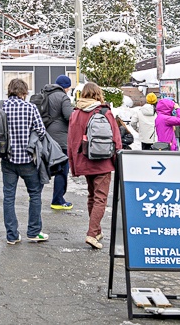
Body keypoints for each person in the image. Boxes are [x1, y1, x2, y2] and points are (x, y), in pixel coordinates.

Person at [67, 82, 123, 249]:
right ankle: (92, 234)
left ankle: (96, 230)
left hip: (84, 160)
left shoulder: (75, 114)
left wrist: (73, 162)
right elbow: (116, 139)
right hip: (103, 162)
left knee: (92, 196)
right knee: (100, 198)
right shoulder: (105, 112)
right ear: (98, 94)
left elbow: (71, 141)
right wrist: (117, 160)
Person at [1, 78, 50, 243]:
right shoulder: (31, 108)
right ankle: (34, 231)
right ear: (24, 92)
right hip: (28, 159)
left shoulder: (2, 107)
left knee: (9, 196)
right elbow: (41, 131)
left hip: (7, 159)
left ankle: (11, 235)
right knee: (35, 194)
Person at [41, 75, 74, 211]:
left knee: (43, 167)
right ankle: (58, 200)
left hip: (45, 136)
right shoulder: (62, 97)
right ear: (66, 87)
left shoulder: (44, 94)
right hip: (60, 139)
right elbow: (69, 116)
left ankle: (34, 193)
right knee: (61, 169)